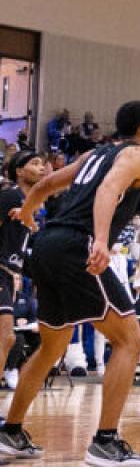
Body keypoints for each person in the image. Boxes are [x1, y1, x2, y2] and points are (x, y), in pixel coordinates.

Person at [0, 101, 140, 467]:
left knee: (52, 346)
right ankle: (105, 442)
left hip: (47, 246)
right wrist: (101, 240)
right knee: (131, 339)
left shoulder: (94, 153)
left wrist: (27, 212)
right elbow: (108, 189)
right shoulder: (138, 156)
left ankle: (10, 431)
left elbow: (46, 183)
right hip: (78, 244)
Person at [0, 152, 46, 388]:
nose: (41, 168)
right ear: (19, 171)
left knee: (5, 339)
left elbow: (22, 253)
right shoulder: (9, 197)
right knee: (5, 337)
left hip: (9, 275)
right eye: (34, 163)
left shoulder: (31, 206)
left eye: (42, 164)